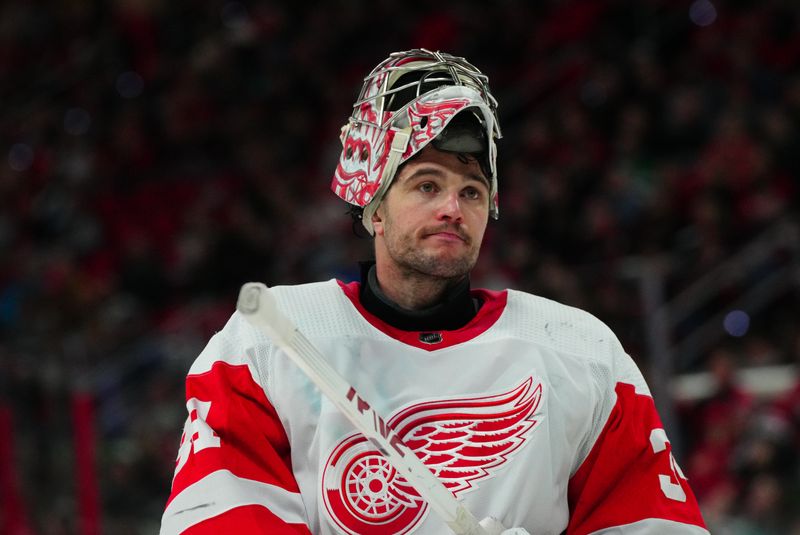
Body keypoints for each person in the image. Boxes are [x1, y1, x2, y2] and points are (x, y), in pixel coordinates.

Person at [160, 49, 709, 534]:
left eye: (472, 190)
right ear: (373, 207)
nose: (453, 207)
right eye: (427, 184)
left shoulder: (580, 353)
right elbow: (219, 520)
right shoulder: (265, 346)